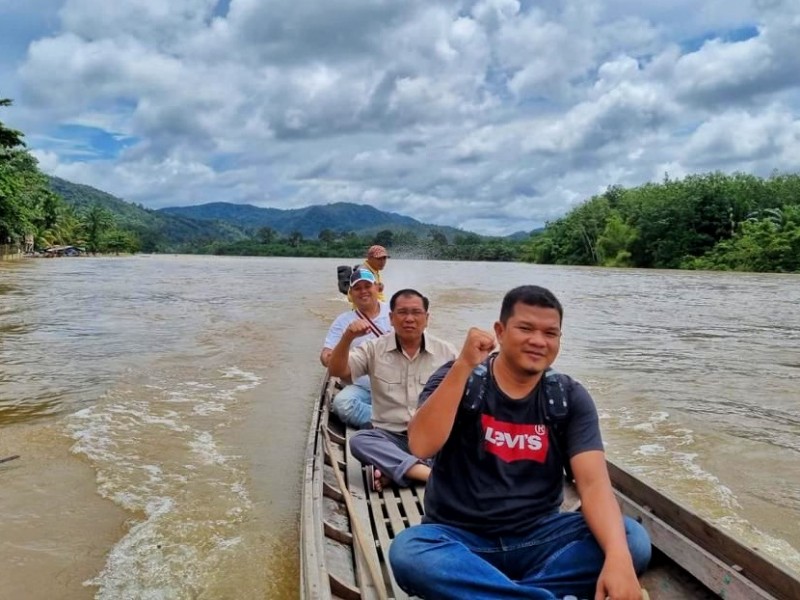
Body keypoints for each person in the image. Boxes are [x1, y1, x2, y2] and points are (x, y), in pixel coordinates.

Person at [389, 285, 651, 600]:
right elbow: (420, 445)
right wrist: (462, 366)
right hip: (460, 538)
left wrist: (619, 560)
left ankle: (498, 592)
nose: (538, 341)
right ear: (500, 331)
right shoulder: (459, 377)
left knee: (630, 540)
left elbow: (594, 484)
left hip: (539, 538)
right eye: (525, 328)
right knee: (409, 551)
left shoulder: (568, 397)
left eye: (550, 333)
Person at [328, 288, 457, 491]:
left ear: (427, 318)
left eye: (416, 313)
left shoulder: (446, 352)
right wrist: (347, 338)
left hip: (431, 438)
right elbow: (337, 370)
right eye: (402, 313)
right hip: (391, 437)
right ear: (391, 318)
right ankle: (431, 475)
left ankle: (398, 473)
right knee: (360, 441)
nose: (409, 319)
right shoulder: (373, 349)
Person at [320, 268, 392, 429]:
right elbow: (325, 356)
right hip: (363, 387)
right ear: (351, 294)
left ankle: (388, 420)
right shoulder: (343, 321)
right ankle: (394, 422)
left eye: (368, 286)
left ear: (378, 288)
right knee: (342, 405)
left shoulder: (393, 312)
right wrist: (345, 340)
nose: (363, 291)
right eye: (357, 288)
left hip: (397, 383)